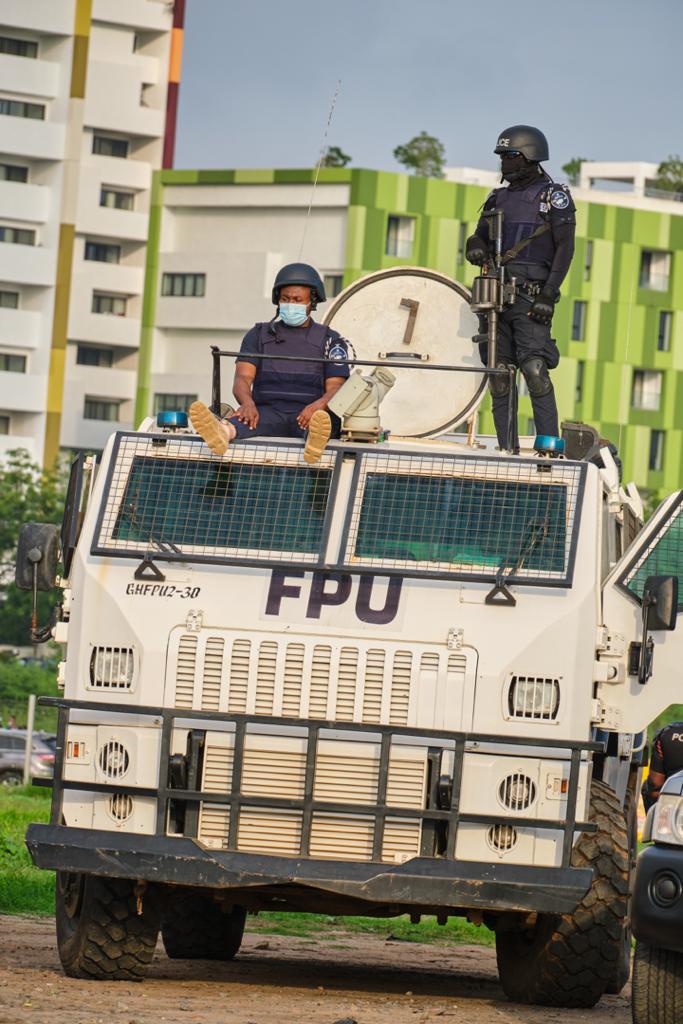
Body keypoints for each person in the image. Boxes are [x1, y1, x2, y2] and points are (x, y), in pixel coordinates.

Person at [466, 124, 576, 450]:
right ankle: (507, 449)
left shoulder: (553, 197)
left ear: (530, 156)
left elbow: (565, 249)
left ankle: (548, 450)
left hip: (531, 297)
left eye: (511, 155)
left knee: (535, 369)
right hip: (495, 297)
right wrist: (474, 246)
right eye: (502, 156)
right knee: (500, 376)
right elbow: (479, 236)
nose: (505, 162)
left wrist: (549, 294)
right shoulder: (497, 197)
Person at [189, 263, 349, 464]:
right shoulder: (258, 335)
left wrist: (318, 406)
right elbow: (243, 378)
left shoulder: (331, 340)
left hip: (311, 414)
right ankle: (220, 432)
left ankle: (315, 441)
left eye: (297, 300)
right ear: (277, 300)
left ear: (313, 301)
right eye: (285, 299)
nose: (290, 304)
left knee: (321, 424)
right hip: (266, 412)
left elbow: (337, 387)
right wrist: (247, 403)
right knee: (240, 421)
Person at [642, 721, 683, 810]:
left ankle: (658, 822)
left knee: (648, 787)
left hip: (673, 802)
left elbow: (655, 783)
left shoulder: (667, 733)